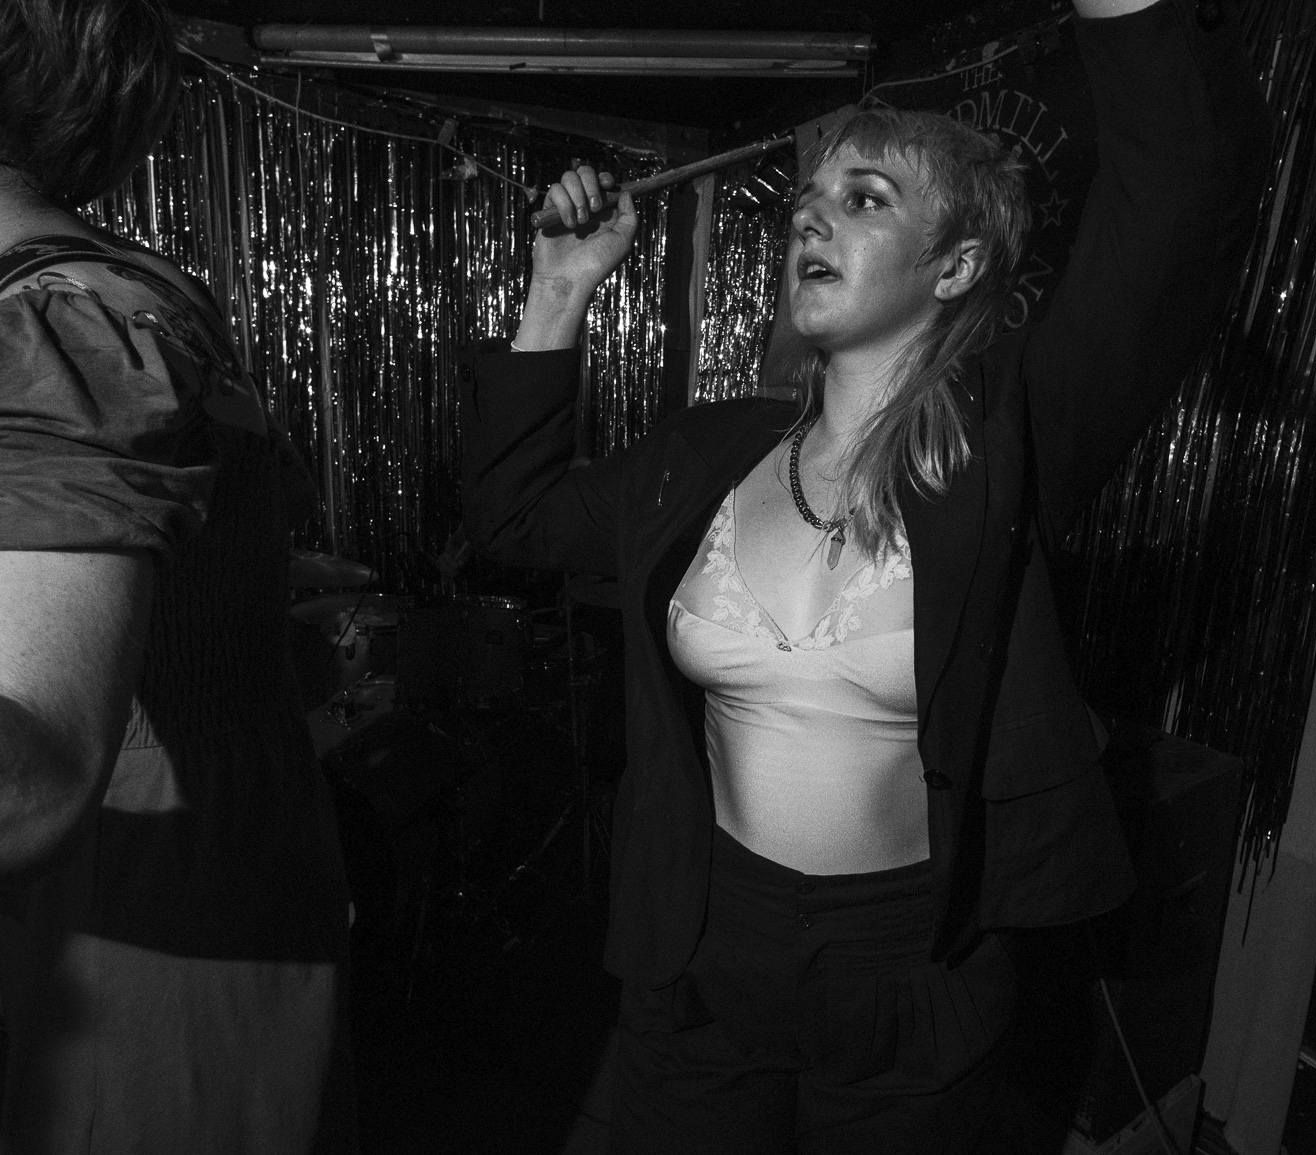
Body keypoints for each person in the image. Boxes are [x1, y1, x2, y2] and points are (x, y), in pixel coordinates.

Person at [461, 0, 1269, 1148]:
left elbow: (1181, 198)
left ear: (959, 265)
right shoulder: (706, 453)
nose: (812, 215)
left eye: (866, 198)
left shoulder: (1003, 448)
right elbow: (515, 519)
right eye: (809, 198)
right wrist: (559, 289)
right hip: (702, 947)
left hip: (907, 969)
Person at [0, 2, 354, 1150]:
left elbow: (32, 758)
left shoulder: (53, 327)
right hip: (186, 886)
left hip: (159, 920)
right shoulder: (99, 294)